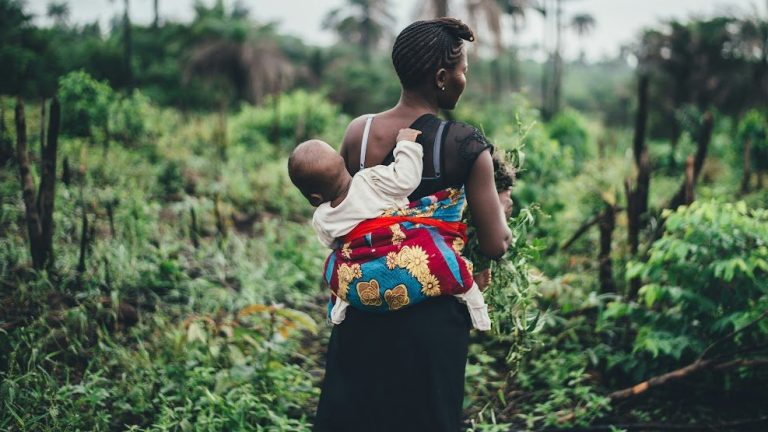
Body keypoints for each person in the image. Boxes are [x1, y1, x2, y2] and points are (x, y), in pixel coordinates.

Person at [313, 17, 512, 432]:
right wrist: (502, 211)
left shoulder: (359, 134)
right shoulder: (465, 145)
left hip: (362, 307)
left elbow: (348, 210)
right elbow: (494, 245)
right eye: (462, 71)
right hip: (430, 323)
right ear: (442, 77)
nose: (463, 79)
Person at [287, 130, 491, 331]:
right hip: (402, 252)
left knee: (334, 265)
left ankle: (340, 306)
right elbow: (406, 179)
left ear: (314, 198)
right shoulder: (370, 179)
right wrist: (406, 144)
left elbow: (334, 244)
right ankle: (474, 298)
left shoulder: (322, 217)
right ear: (342, 162)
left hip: (364, 277)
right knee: (440, 257)